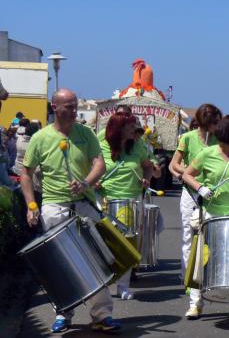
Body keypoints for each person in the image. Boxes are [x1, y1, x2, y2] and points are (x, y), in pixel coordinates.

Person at [20, 88, 121, 333]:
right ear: (55, 107)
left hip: (84, 205)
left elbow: (100, 163)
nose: (74, 110)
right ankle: (63, 312)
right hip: (55, 206)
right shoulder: (40, 138)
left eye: (76, 105)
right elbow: (26, 173)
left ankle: (102, 314)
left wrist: (86, 182)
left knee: (96, 260)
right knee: (61, 265)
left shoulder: (85, 134)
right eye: (69, 106)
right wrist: (31, 205)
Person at [182, 115, 229, 319]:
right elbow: (186, 174)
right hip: (212, 212)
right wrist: (200, 187)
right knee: (203, 258)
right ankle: (196, 303)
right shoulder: (207, 154)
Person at [168, 104, 221, 301]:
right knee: (189, 238)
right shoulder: (188, 138)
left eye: (217, 122)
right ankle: (188, 278)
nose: (215, 126)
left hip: (212, 195)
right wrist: (191, 174)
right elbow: (174, 164)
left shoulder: (219, 139)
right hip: (191, 193)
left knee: (211, 238)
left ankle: (208, 276)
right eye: (212, 122)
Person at [98, 112, 153, 300]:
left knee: (127, 242)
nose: (134, 130)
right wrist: (93, 180)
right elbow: (89, 167)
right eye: (130, 126)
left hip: (130, 199)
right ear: (119, 129)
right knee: (105, 244)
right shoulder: (101, 146)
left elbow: (148, 165)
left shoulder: (138, 146)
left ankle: (123, 286)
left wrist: (146, 178)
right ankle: (104, 284)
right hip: (104, 199)